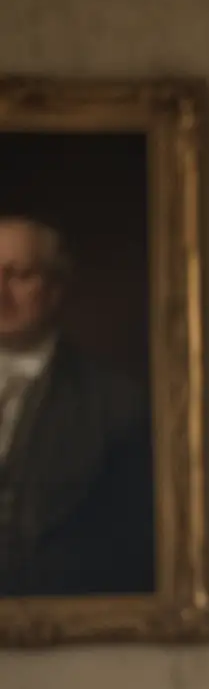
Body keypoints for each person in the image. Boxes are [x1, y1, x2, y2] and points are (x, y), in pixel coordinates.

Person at [0, 215, 154, 598]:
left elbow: (129, 555)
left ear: (54, 289)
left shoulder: (117, 404)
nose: (0, 291)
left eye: (18, 275)